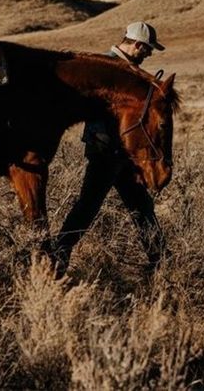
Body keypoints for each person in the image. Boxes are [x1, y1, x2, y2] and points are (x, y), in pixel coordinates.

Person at [53, 22, 168, 272]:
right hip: (105, 150)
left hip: (122, 153)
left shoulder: (131, 70)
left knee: (141, 207)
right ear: (137, 45)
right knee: (88, 206)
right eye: (147, 49)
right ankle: (57, 255)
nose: (148, 55)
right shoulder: (104, 66)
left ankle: (160, 262)